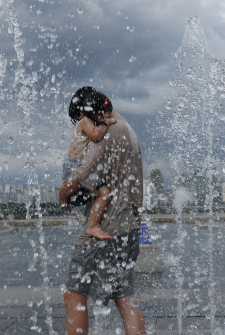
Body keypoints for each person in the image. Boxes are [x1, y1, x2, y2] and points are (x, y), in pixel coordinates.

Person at [59, 88, 146, 335]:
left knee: (74, 296)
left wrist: (62, 195)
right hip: (128, 227)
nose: (84, 124)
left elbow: (81, 174)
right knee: (126, 299)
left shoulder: (110, 132)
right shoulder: (129, 129)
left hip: (103, 231)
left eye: (84, 117)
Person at [62, 87, 116, 240]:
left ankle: (90, 219)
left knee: (95, 195)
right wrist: (105, 123)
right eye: (103, 114)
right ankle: (93, 226)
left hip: (76, 170)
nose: (105, 117)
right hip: (75, 170)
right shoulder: (85, 122)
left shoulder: (86, 122)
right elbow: (96, 136)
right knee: (104, 193)